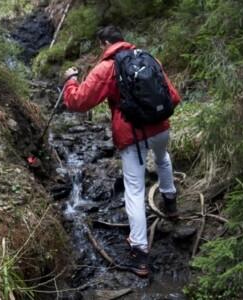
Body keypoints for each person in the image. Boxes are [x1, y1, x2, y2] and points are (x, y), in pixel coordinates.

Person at [62, 25, 181, 276]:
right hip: (160, 127)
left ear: (105, 43)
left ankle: (140, 254)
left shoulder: (107, 68)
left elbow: (78, 102)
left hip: (133, 136)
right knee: (162, 158)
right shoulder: (149, 58)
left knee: (135, 191)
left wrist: (70, 81)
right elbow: (173, 97)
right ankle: (170, 204)